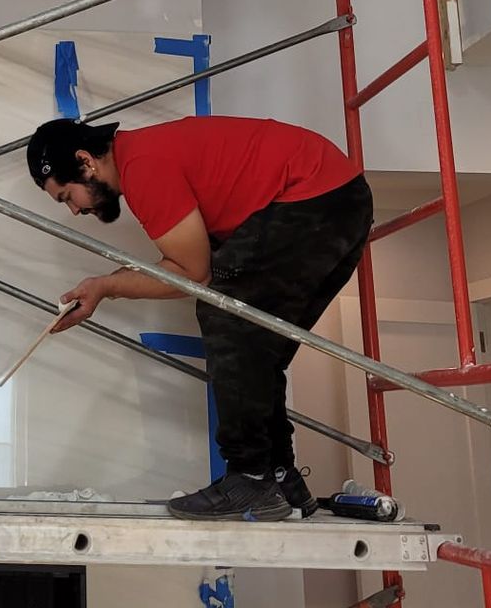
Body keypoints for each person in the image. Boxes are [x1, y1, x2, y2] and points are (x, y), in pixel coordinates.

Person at [25, 113, 371, 523]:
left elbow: (193, 275)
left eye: (66, 196)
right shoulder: (146, 154)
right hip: (340, 200)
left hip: (313, 198)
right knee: (261, 345)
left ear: (86, 162)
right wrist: (106, 285)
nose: (75, 212)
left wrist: (106, 286)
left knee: (224, 313)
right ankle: (280, 478)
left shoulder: (142, 167)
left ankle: (250, 476)